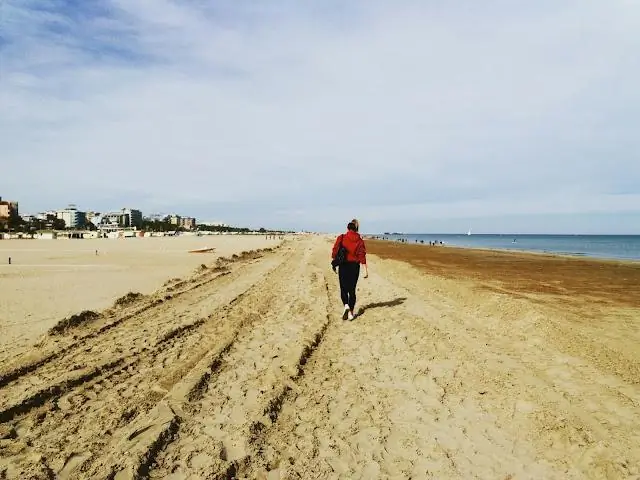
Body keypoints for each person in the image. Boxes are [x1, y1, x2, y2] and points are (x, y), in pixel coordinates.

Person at [331, 218, 368, 321]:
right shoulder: (360, 241)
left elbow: (334, 251)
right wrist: (365, 270)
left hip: (344, 265)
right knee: (352, 290)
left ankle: (346, 305)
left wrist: (334, 262)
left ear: (347, 228)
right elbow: (362, 255)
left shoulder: (342, 237)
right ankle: (351, 313)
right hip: (354, 267)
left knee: (343, 288)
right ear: (356, 229)